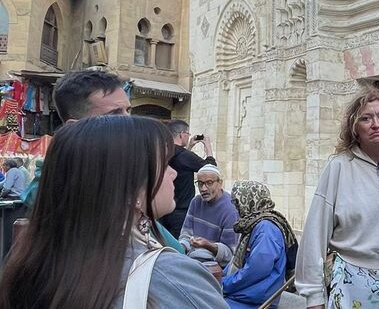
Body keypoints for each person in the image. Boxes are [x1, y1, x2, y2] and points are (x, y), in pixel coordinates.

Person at [0, 116, 228, 308]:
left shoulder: (31, 264)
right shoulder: (172, 277)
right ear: (131, 190)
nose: (174, 174)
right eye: (165, 163)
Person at [295, 87, 379, 309]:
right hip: (352, 283)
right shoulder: (339, 167)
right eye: (366, 119)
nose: (376, 124)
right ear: (354, 128)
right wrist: (314, 298)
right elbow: (314, 237)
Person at [18, 69, 183, 253]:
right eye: (114, 114)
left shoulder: (119, 168)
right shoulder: (60, 186)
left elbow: (170, 245)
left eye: (128, 110)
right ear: (75, 127)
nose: (128, 121)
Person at [222, 180, 298, 309]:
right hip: (244, 295)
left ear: (249, 201)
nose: (236, 208)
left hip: (252, 299)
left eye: (237, 203)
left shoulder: (266, 229)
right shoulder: (254, 224)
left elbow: (255, 271)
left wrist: (223, 283)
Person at [160, 119, 217, 238]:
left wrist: (189, 147)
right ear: (182, 134)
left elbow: (181, 162)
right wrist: (208, 149)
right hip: (181, 211)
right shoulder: (185, 156)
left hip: (162, 209)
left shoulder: (162, 151)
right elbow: (210, 169)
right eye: (187, 133)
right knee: (178, 248)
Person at [178, 164, 239, 267]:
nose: (203, 188)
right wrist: (181, 247)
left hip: (215, 267)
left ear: (220, 183)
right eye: (200, 184)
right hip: (191, 259)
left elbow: (230, 254)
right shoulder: (196, 202)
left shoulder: (230, 210)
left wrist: (209, 246)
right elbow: (186, 234)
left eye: (209, 183)